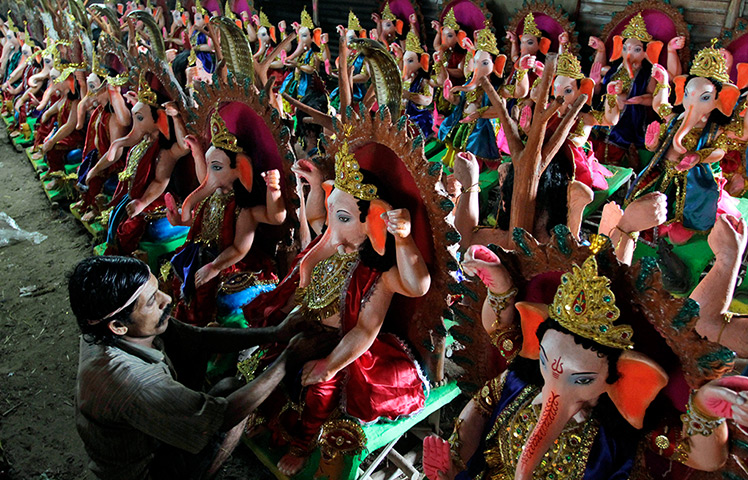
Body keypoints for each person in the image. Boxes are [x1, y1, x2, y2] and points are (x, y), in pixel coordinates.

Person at [69, 255, 335, 480]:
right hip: (142, 470)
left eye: (157, 289)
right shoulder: (131, 380)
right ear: (117, 325)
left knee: (225, 382)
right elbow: (221, 417)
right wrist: (287, 359)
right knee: (231, 402)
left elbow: (197, 338)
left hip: (142, 437)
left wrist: (275, 333)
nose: (167, 299)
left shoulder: (110, 330)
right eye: (152, 301)